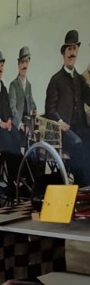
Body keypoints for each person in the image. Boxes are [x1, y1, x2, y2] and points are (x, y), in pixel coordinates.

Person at [45, 30, 90, 185]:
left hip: (81, 128)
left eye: (74, 49)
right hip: (63, 131)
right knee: (77, 144)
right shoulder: (56, 80)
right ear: (64, 53)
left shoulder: (80, 80)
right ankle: (82, 186)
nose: (72, 53)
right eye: (69, 49)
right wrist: (60, 122)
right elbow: (50, 110)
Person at [9, 46, 37, 145]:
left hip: (28, 124)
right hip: (17, 125)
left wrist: (35, 110)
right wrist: (20, 125)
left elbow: (32, 103)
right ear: (18, 65)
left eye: (26, 62)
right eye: (22, 62)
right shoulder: (13, 85)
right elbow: (13, 108)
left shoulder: (29, 85)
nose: (24, 65)